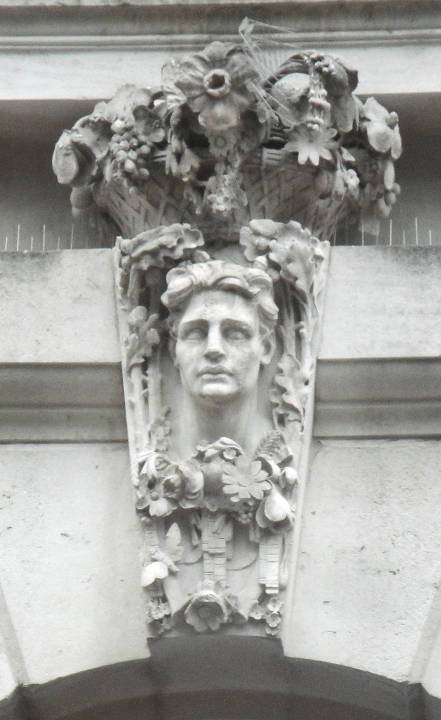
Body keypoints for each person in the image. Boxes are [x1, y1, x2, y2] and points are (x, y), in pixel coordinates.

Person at [161, 260, 278, 456]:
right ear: (173, 350)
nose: (213, 349)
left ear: (266, 348)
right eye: (196, 333)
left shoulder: (282, 450)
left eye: (235, 334)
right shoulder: (158, 449)